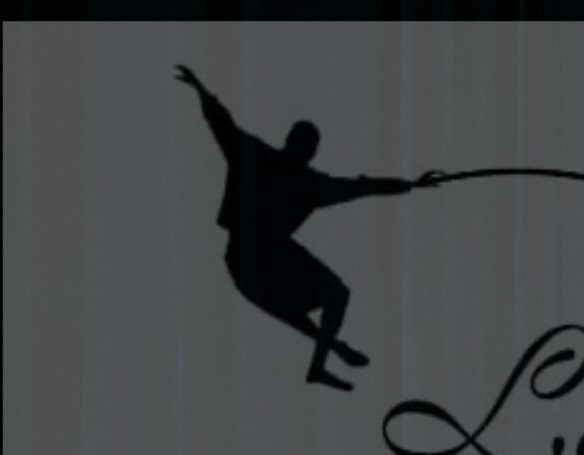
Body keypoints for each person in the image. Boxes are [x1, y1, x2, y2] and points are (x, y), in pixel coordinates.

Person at [174, 63, 446, 391]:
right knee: (325, 296)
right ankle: (324, 356)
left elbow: (362, 186)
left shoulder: (276, 166)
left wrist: (409, 184)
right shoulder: (279, 168)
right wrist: (201, 90)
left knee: (318, 298)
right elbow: (222, 123)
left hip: (251, 257)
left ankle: (325, 356)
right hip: (254, 256)